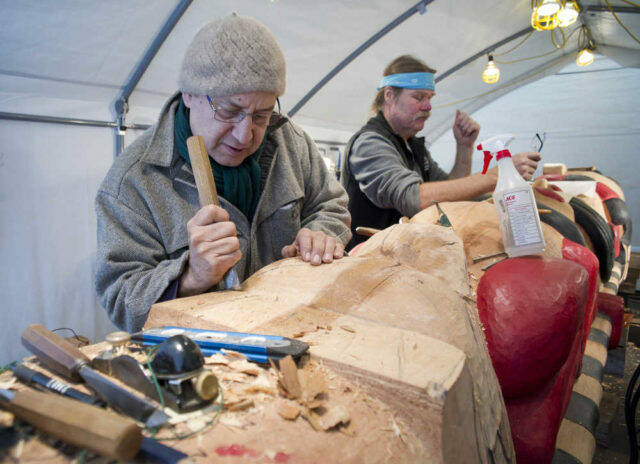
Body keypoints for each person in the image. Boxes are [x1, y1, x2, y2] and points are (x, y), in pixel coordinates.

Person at [95, 14, 351, 332]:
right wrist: (191, 276)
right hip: (203, 362)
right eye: (229, 111)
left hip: (293, 331)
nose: (245, 136)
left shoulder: (290, 142)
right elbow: (121, 299)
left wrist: (320, 235)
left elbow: (331, 204)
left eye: (261, 115)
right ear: (189, 95)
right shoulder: (134, 181)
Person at [341, 55, 541, 247]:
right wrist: (496, 176)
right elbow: (413, 199)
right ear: (389, 95)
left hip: (407, 250)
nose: (428, 106)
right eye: (418, 97)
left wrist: (464, 147)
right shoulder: (370, 143)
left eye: (429, 98)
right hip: (371, 262)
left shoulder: (413, 146)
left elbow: (449, 191)